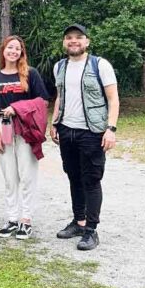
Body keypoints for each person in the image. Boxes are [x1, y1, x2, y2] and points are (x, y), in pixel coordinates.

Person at [50, 24, 119, 251]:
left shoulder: (100, 65)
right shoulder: (59, 66)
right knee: (73, 176)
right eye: (69, 38)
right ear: (64, 43)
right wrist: (54, 122)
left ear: (87, 41)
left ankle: (91, 230)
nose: (73, 41)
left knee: (91, 179)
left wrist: (111, 128)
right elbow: (60, 96)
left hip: (92, 132)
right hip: (66, 130)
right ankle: (78, 221)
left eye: (78, 37)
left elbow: (113, 99)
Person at [0, 36, 49, 240]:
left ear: (21, 52)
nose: (13, 51)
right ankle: (12, 218)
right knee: (9, 176)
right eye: (10, 47)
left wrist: (17, 108)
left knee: (26, 174)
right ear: (3, 50)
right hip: (3, 127)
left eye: (17, 48)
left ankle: (26, 219)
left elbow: (42, 101)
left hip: (25, 128)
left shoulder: (30, 74)